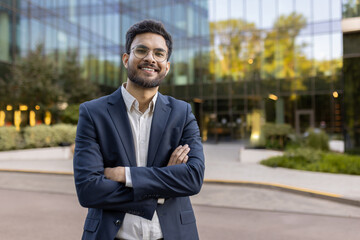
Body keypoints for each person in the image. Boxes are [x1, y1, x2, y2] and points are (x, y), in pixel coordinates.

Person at [73, 19, 205, 240]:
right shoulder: (93, 113)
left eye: (159, 53)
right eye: (141, 50)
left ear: (167, 65)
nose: (150, 58)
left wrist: (124, 175)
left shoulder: (182, 113)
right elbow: (88, 190)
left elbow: (192, 178)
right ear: (126, 59)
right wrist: (164, 187)